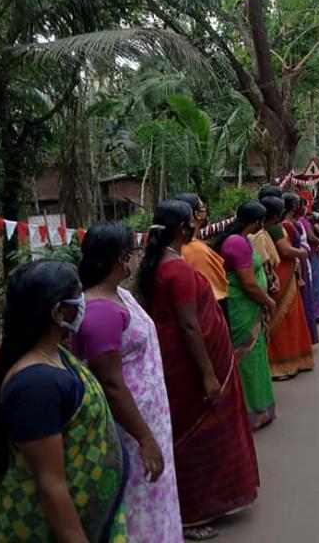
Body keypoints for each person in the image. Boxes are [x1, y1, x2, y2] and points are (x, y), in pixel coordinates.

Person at [138, 201, 259, 540]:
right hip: (189, 365)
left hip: (182, 360)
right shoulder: (175, 270)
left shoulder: (162, 263)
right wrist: (208, 375)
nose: (196, 224)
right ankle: (192, 511)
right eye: (192, 221)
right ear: (181, 228)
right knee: (196, 433)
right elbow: (189, 326)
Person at [0, 260, 129, 542]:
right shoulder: (35, 386)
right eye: (78, 296)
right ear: (58, 311)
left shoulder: (53, 356)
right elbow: (51, 486)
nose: (84, 302)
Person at [73, 222, 183, 542]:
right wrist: (145, 439)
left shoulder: (119, 294)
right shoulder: (100, 311)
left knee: (155, 494)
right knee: (138, 499)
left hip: (147, 420)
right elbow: (111, 383)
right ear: (121, 259)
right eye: (132, 253)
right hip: (129, 429)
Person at [217, 202, 278, 430]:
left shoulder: (242, 240)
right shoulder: (237, 243)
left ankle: (260, 407)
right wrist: (269, 301)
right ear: (256, 221)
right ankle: (249, 411)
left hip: (249, 306)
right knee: (247, 358)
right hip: (242, 306)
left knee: (256, 355)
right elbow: (249, 284)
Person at [261, 196, 315, 379]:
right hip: (281, 275)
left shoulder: (266, 226)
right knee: (285, 319)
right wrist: (302, 253)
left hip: (284, 273)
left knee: (290, 317)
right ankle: (283, 364)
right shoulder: (275, 227)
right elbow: (284, 250)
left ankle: (291, 361)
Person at [174, 193, 230, 322]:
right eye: (202, 208)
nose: (205, 210)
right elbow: (211, 294)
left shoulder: (175, 246)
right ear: (197, 215)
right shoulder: (195, 250)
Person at [284, 193, 318, 345]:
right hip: (295, 265)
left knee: (305, 300)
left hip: (302, 262)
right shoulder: (287, 226)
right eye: (298, 205)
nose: (301, 208)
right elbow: (287, 250)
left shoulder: (295, 223)